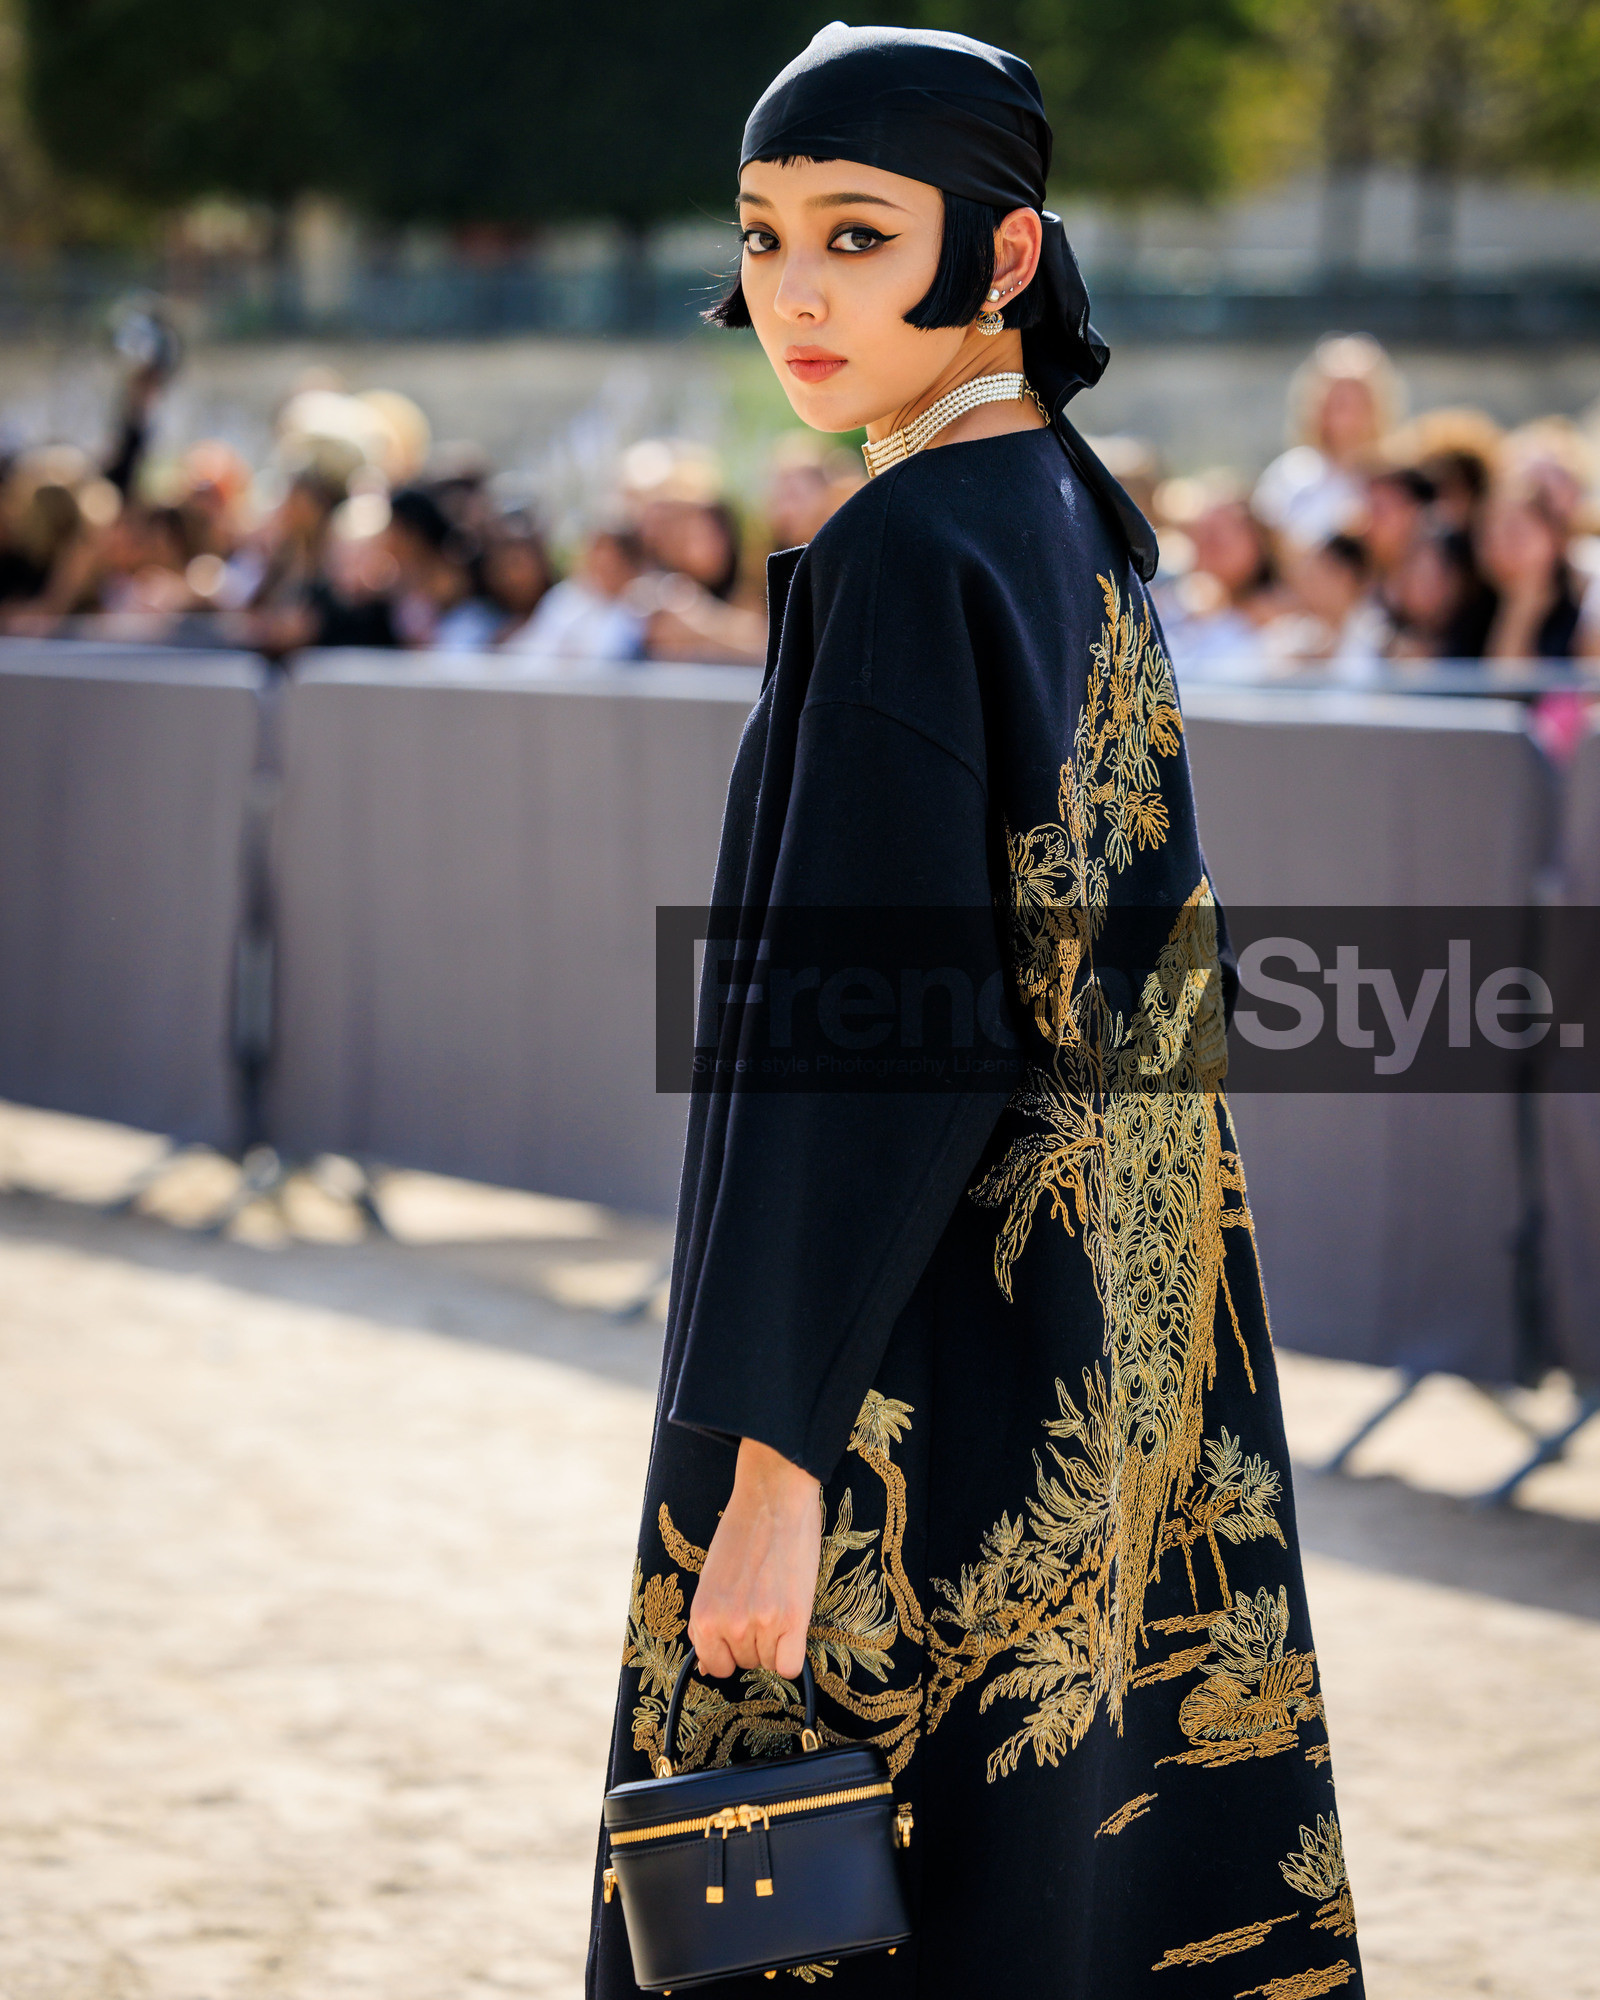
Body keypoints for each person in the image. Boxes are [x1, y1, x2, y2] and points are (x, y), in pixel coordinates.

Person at [588, 25, 1363, 2000]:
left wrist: (769, 1476)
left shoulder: (908, 549)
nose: (794, 292)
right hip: (1106, 1369)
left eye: (857, 234)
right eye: (763, 238)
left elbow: (865, 1052)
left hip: (907, 1387)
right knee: (1070, 1899)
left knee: (843, 1920)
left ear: (1003, 259)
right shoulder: (1068, 519)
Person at [1253, 333, 1400, 552]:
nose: (1348, 413)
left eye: (1357, 400)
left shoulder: (1392, 480)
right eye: (1339, 401)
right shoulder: (1290, 475)